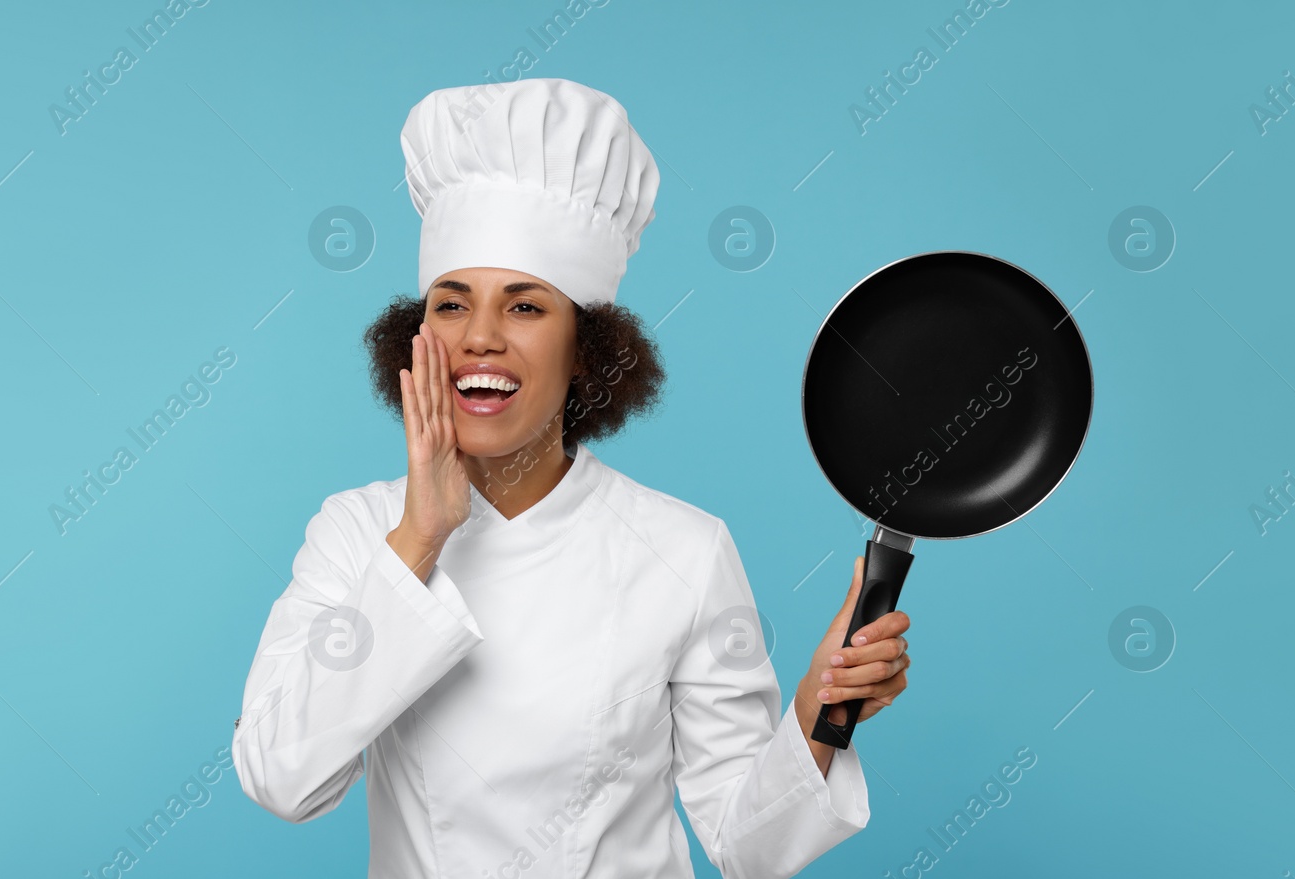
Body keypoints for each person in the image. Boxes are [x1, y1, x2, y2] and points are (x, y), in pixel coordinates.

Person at [232, 77, 912, 878]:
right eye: (451, 305)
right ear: (415, 338)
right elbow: (280, 777)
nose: (479, 336)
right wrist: (419, 539)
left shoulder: (683, 550)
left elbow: (749, 847)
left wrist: (815, 713)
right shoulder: (356, 533)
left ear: (587, 348)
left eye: (525, 307)